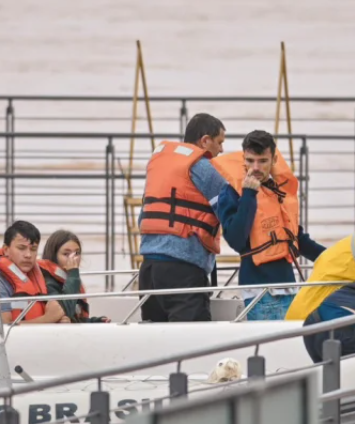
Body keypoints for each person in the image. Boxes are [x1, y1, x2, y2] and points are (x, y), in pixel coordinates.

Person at [136, 112, 240, 322]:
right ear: (205, 140)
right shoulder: (203, 167)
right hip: (182, 270)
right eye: (219, 142)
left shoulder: (159, 166)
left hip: (148, 270)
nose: (221, 149)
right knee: (192, 340)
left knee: (157, 335)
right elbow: (231, 213)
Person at [212, 130, 325, 320]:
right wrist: (248, 194)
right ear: (244, 160)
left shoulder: (277, 192)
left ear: (273, 160)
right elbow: (236, 240)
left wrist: (331, 257)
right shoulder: (231, 193)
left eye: (262, 161)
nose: (255, 167)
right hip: (259, 294)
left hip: (289, 288)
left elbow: (296, 238)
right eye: (250, 160)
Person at [0, 220, 67, 325]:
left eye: (33, 249)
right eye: (22, 248)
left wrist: (60, 320)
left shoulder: (41, 276)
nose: (28, 255)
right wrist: (47, 319)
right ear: (6, 250)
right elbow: (4, 328)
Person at [39, 230, 110, 323]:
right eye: (66, 254)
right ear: (54, 256)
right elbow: (64, 311)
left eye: (77, 253)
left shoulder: (70, 280)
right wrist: (73, 274)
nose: (73, 258)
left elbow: (74, 318)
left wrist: (94, 321)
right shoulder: (47, 281)